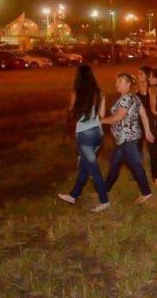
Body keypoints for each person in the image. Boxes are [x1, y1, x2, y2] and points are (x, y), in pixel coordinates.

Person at [57, 65, 110, 212]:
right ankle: (73, 195)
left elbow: (72, 113)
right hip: (98, 134)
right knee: (85, 168)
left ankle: (104, 201)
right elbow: (102, 116)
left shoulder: (76, 93)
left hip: (84, 135)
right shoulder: (99, 93)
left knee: (93, 169)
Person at [102, 73, 154, 204]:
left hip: (128, 138)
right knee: (114, 164)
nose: (116, 84)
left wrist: (100, 121)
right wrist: (147, 132)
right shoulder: (134, 97)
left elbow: (117, 117)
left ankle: (146, 192)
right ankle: (105, 189)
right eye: (116, 81)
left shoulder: (126, 98)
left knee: (135, 165)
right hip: (124, 139)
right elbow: (143, 114)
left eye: (119, 82)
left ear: (128, 84)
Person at [135, 65, 154, 157]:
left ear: (147, 76)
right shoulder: (136, 94)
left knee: (153, 146)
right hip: (139, 123)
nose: (138, 75)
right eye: (138, 73)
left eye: (141, 74)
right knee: (138, 145)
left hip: (152, 122)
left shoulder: (153, 91)